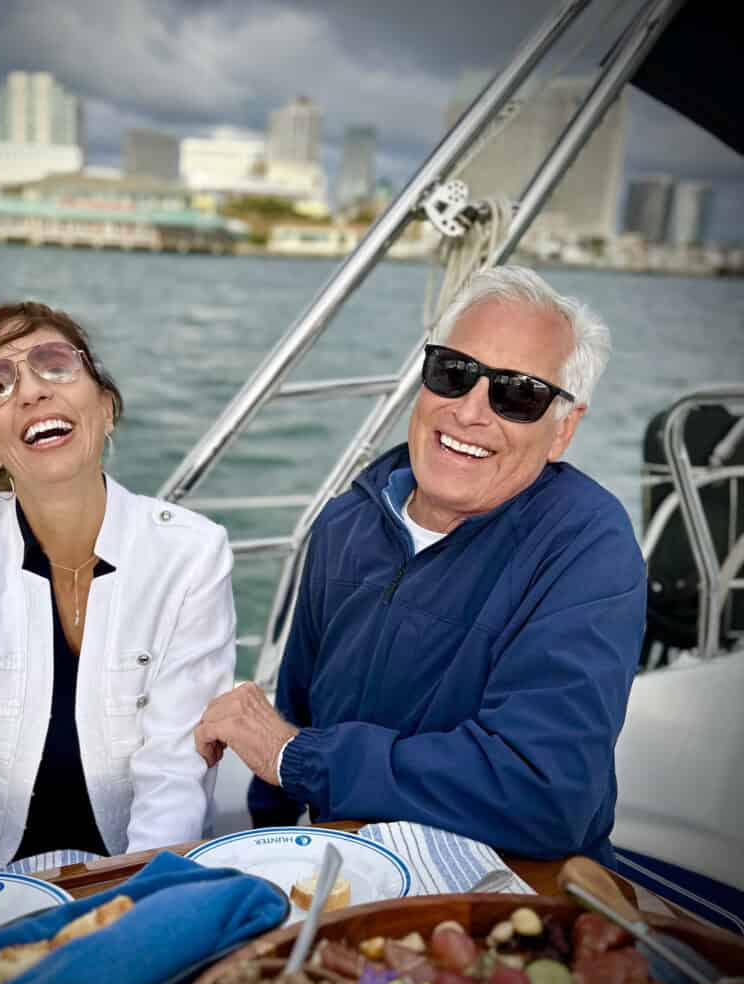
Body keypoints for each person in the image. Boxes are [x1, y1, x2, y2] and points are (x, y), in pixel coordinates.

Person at [194, 266, 646, 868]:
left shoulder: (586, 546)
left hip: (507, 890)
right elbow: (296, 716)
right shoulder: (344, 525)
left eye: (517, 395)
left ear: (563, 428)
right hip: (343, 872)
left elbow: (547, 792)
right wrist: (262, 850)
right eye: (453, 373)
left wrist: (300, 759)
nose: (470, 411)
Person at [0, 302, 235, 885]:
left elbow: (175, 773)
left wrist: (137, 910)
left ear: (106, 408)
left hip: (131, 872)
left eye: (54, 364)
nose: (29, 391)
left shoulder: (193, 553)